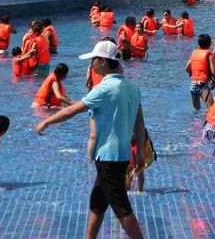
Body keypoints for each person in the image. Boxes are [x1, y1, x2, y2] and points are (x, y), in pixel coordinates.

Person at [35, 40, 146, 239]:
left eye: (94, 59)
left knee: (121, 207)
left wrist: (46, 122)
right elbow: (139, 122)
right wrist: (140, 154)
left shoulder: (103, 89)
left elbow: (71, 110)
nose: (92, 63)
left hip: (109, 157)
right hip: (121, 155)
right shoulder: (132, 87)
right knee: (97, 203)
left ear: (103, 61)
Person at [186, 35, 215, 110]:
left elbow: (187, 68)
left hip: (193, 84)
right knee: (212, 109)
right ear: (209, 44)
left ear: (198, 43)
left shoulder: (194, 53)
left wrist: (192, 73)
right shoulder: (209, 55)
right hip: (203, 84)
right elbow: (213, 72)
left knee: (196, 110)